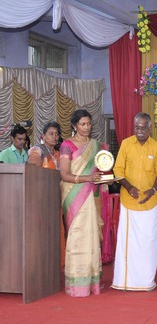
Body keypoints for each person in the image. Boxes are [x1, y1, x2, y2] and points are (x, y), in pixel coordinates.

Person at [111, 113, 157, 291]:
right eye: (137, 127)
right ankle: (125, 282)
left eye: (143, 127)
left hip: (150, 203)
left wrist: (153, 190)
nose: (140, 131)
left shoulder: (156, 147)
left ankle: (146, 282)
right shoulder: (126, 144)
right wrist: (128, 186)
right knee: (129, 245)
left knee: (149, 243)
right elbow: (118, 169)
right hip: (129, 202)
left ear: (150, 128)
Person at [59, 109, 109, 297]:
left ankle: (92, 281)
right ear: (74, 126)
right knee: (77, 237)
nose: (86, 127)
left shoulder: (96, 146)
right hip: (74, 196)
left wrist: (104, 178)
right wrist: (87, 178)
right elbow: (64, 174)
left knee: (91, 237)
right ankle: (77, 283)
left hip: (92, 195)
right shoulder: (67, 145)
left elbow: (100, 171)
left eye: (88, 123)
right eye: (82, 124)